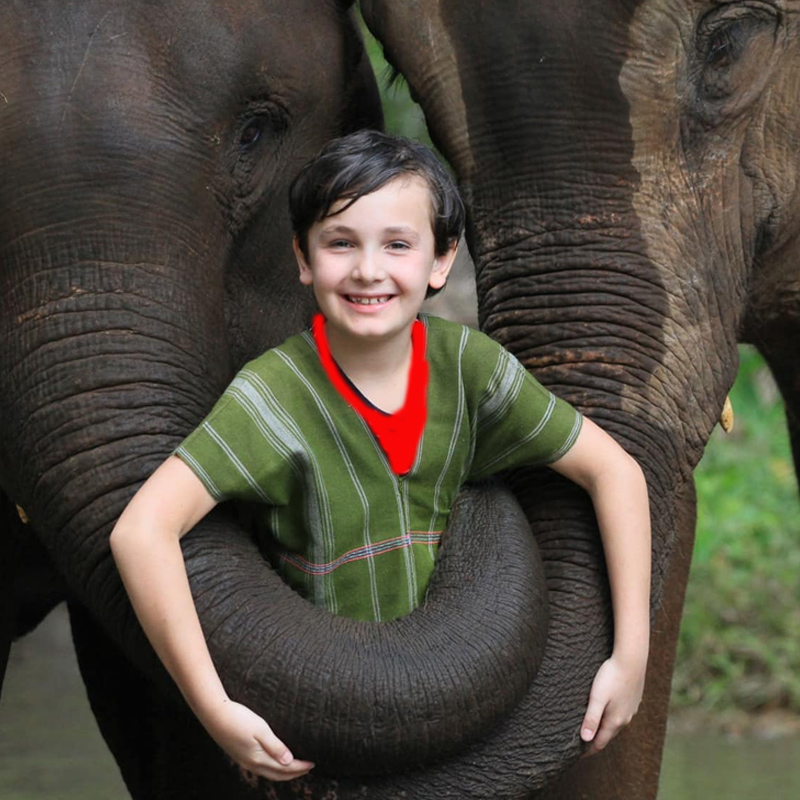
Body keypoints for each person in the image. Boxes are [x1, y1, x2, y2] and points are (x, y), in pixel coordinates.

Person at [110, 129, 651, 783]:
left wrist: (631, 656)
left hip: (453, 703)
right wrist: (215, 707)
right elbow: (142, 531)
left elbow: (614, 470)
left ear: (440, 261)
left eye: (398, 244)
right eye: (341, 243)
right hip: (318, 718)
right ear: (304, 259)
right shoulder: (273, 393)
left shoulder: (466, 368)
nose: (369, 270)